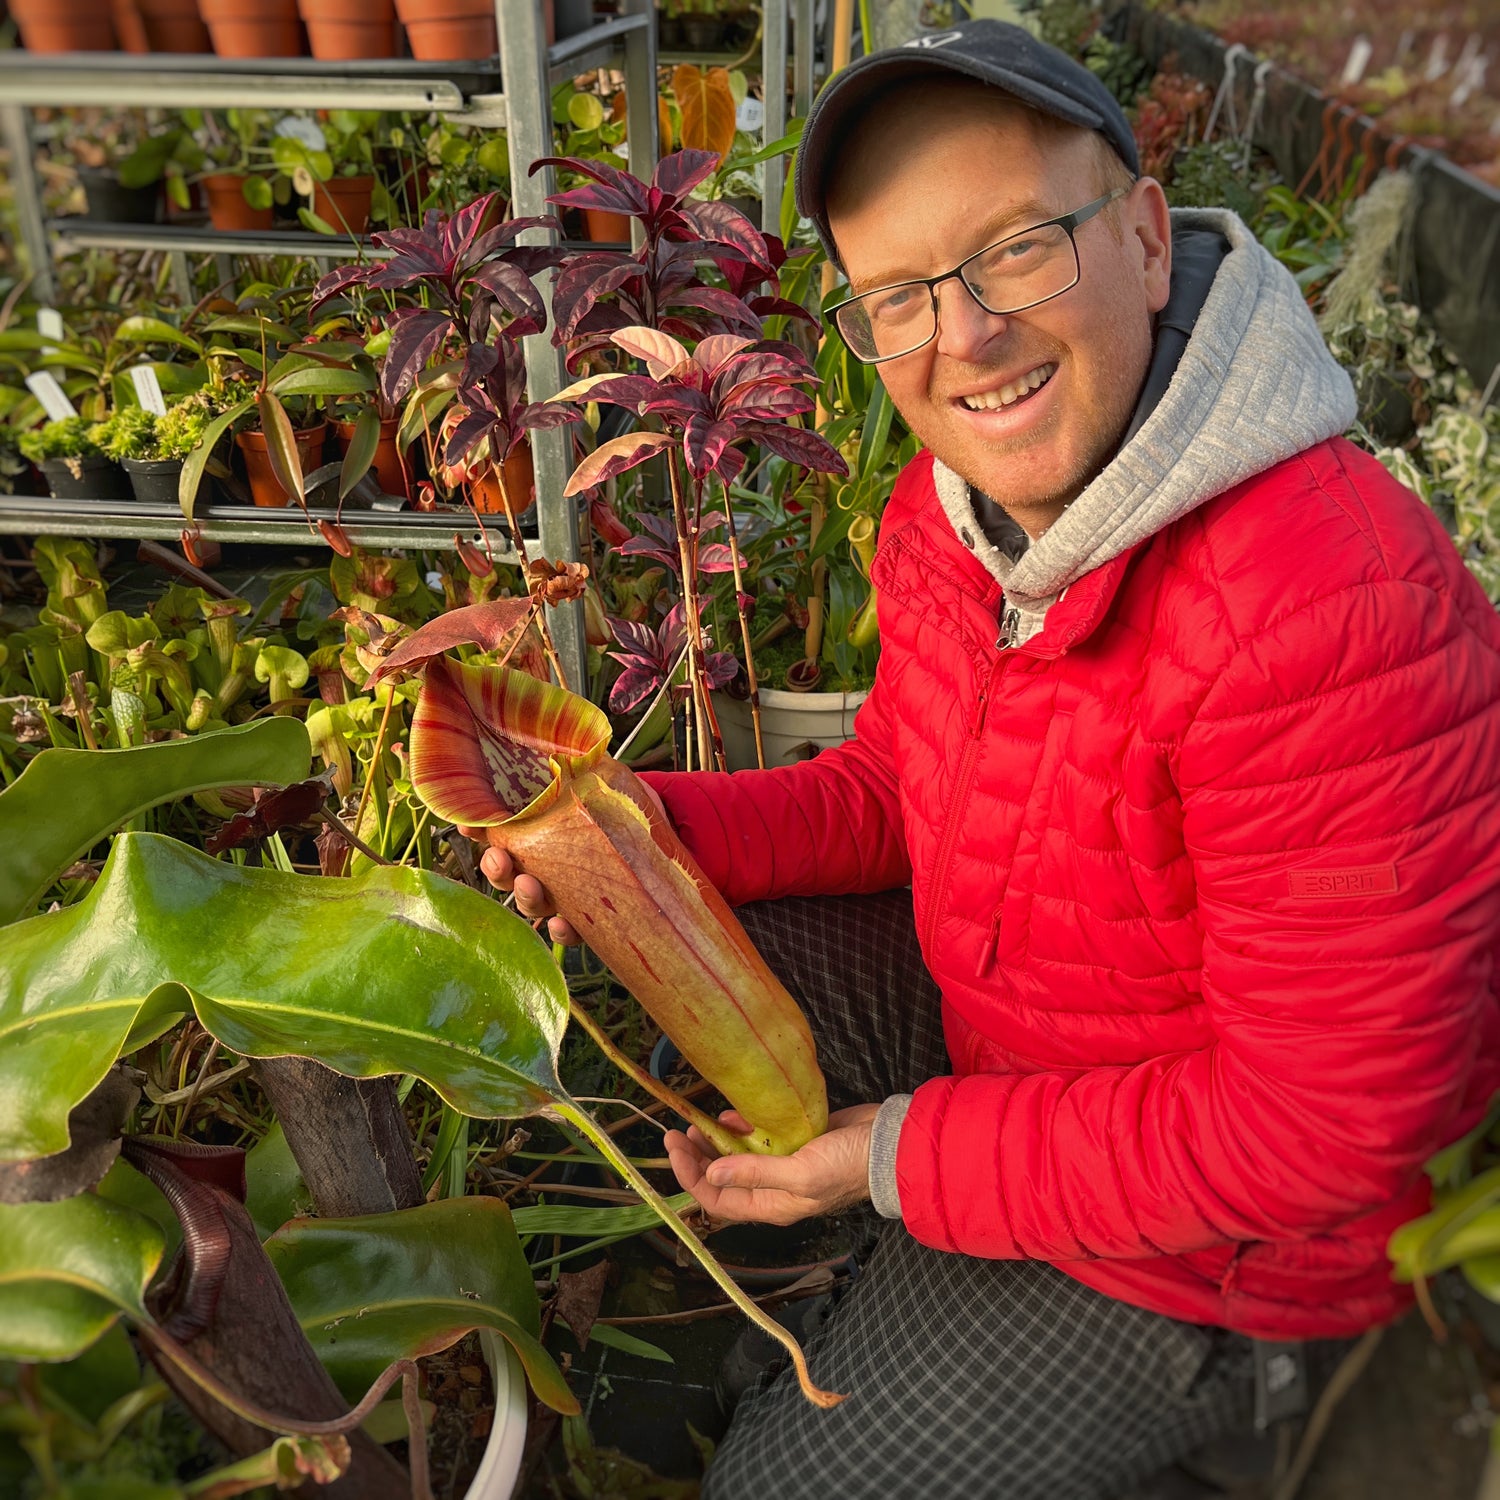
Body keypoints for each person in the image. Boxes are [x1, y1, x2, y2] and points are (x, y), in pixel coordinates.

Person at [488, 20, 1500, 1498]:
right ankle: (866, 1296)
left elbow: (1318, 1135)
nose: (961, 335)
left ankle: (1245, 1405)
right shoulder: (955, 513)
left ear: (1149, 239)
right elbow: (904, 784)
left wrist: (895, 1158)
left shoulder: (1325, 608)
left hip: (1227, 1253)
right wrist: (642, 831)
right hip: (1023, 1030)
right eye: (896, 295)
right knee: (596, 983)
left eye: (1019, 249)